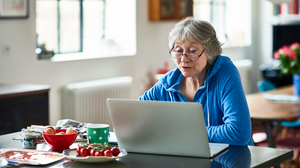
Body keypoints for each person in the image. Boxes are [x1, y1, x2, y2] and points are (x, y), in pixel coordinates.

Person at [139, 17, 253, 146]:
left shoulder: (225, 73)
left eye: (192, 51)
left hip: (232, 160)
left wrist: (181, 133)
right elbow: (136, 115)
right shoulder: (169, 82)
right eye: (178, 51)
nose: (184, 59)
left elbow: (238, 132)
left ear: (212, 50)